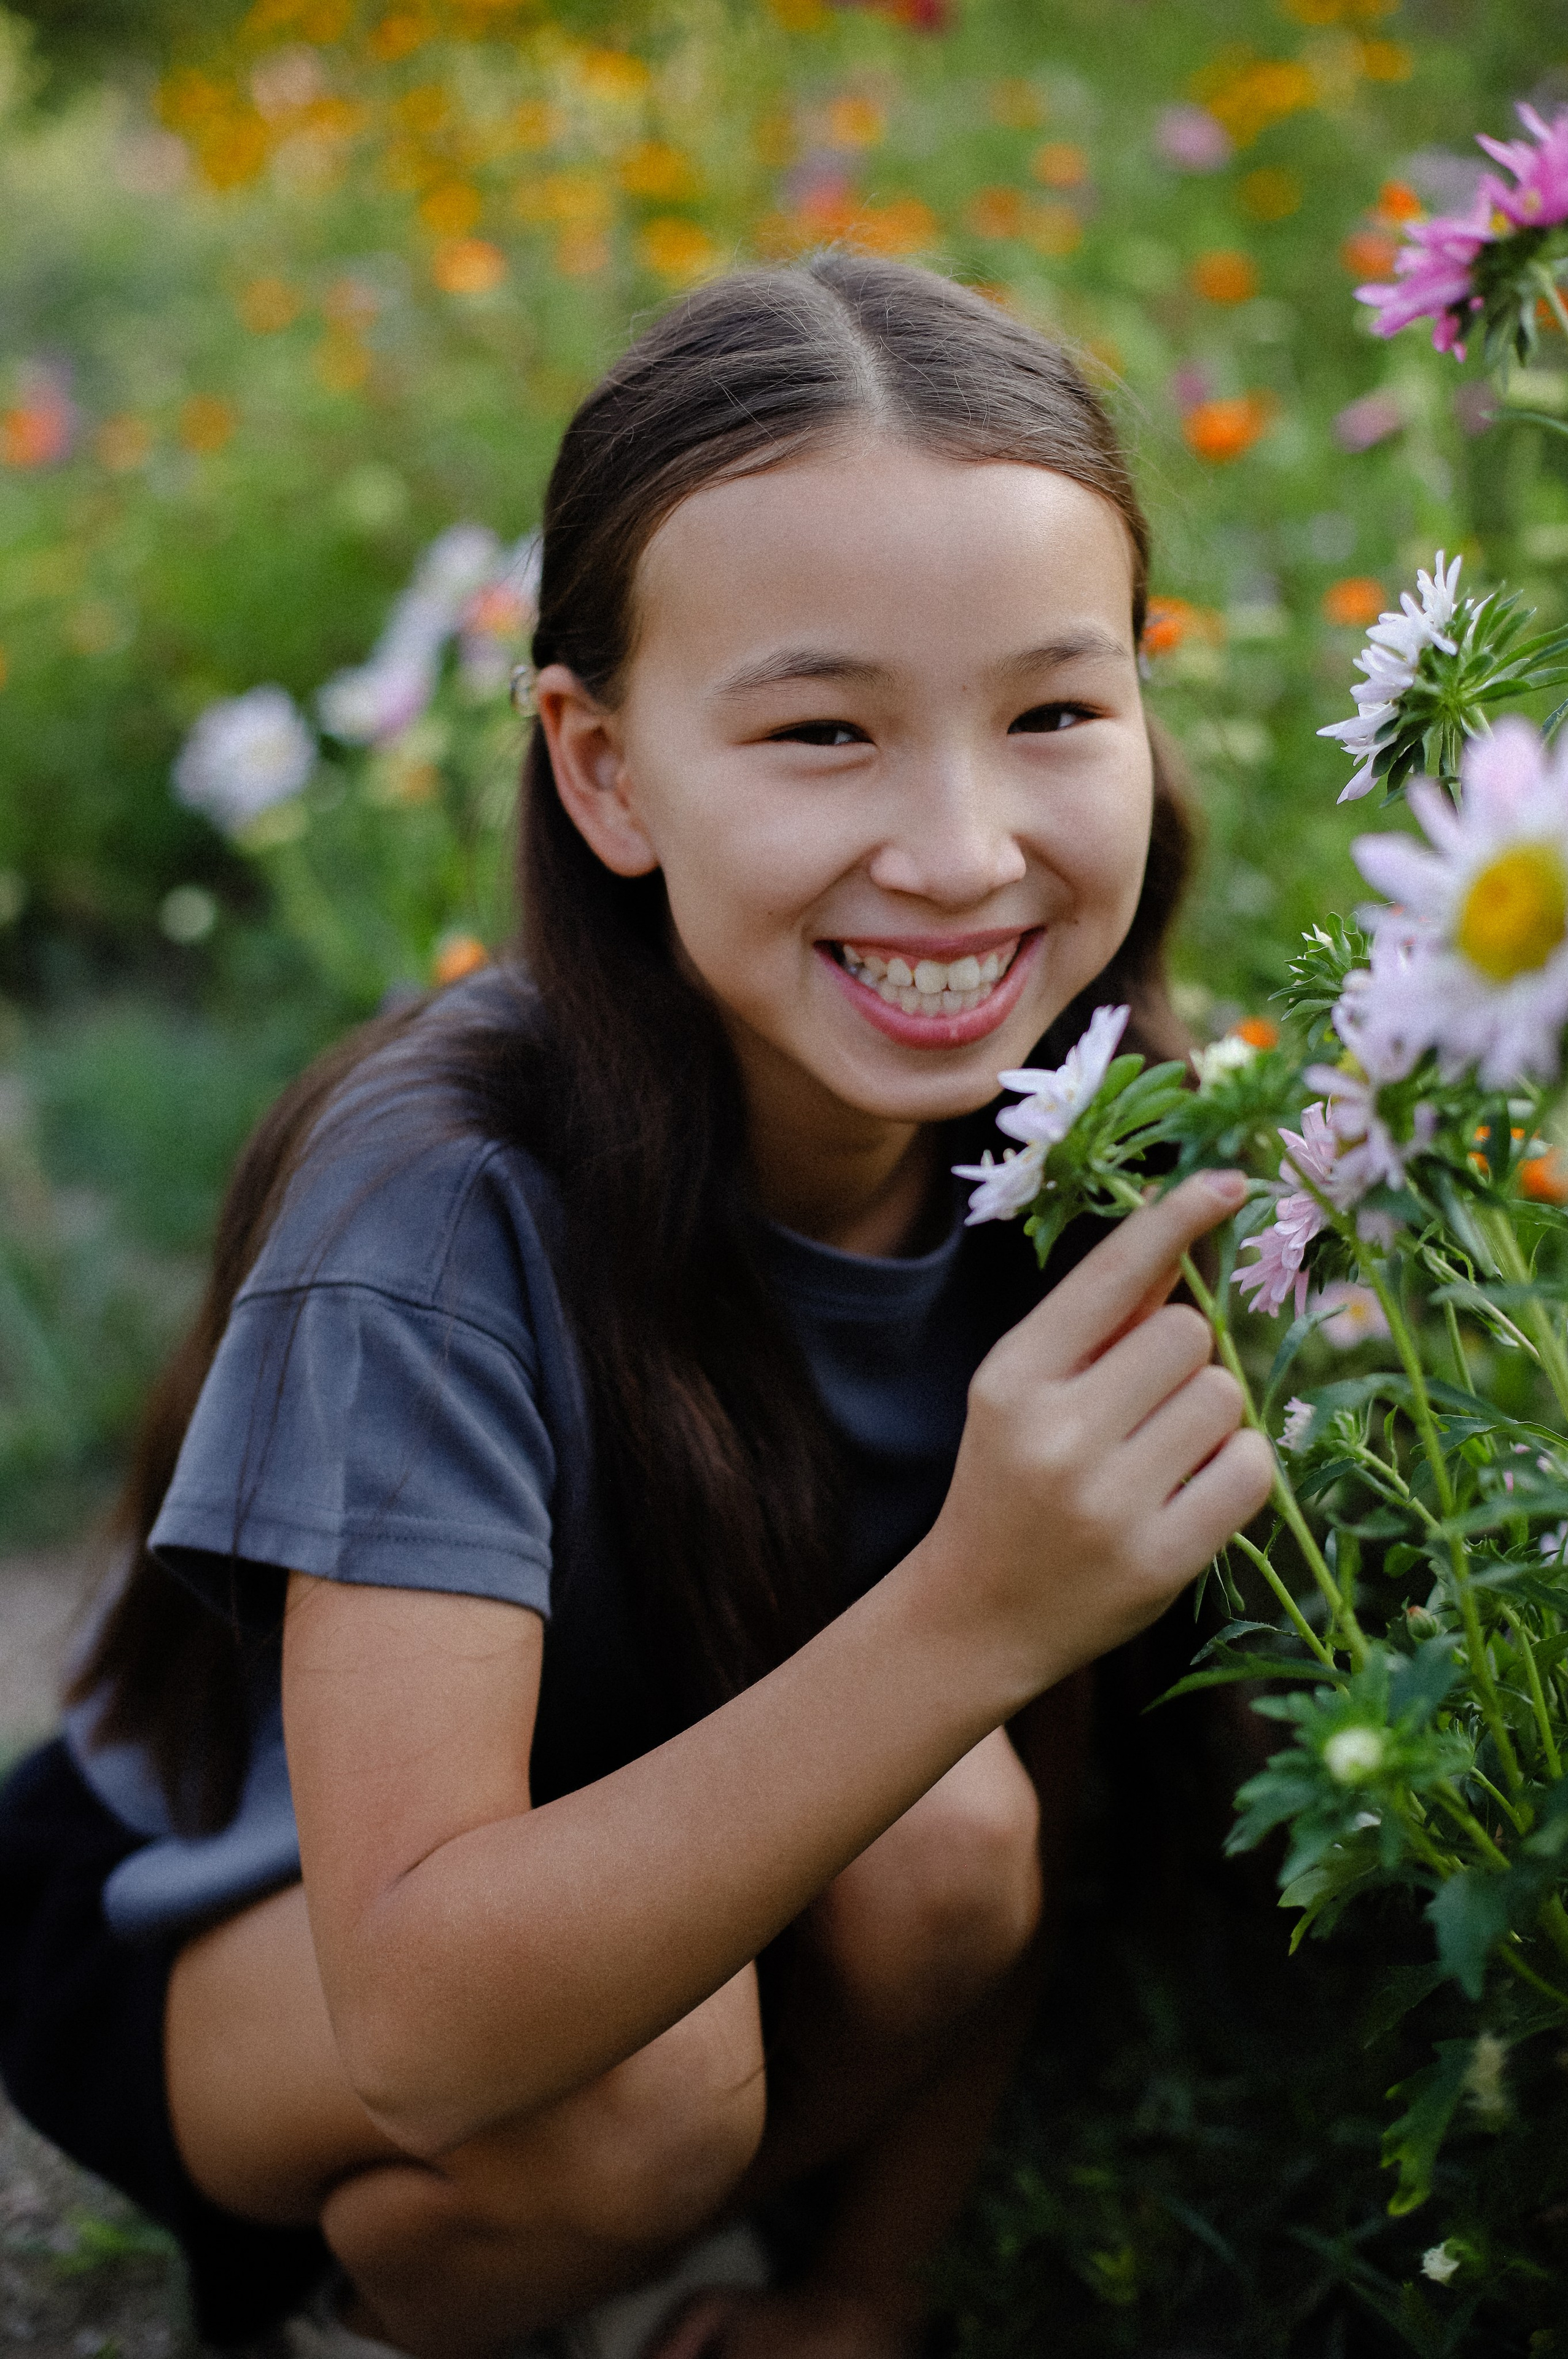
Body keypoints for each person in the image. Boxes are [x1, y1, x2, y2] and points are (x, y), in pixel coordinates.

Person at [0, 253, 1273, 2359]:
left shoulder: (1095, 1133)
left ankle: (706, 2247)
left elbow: (1028, 1760)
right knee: (636, 2084)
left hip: (688, 1853)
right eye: (820, 732)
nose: (960, 855)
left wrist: (866, 2295)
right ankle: (430, 2281)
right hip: (252, 1922)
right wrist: (981, 1601)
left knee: (965, 1840)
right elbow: (411, 2011)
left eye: (1053, 710)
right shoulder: (437, 1206)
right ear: (602, 772)